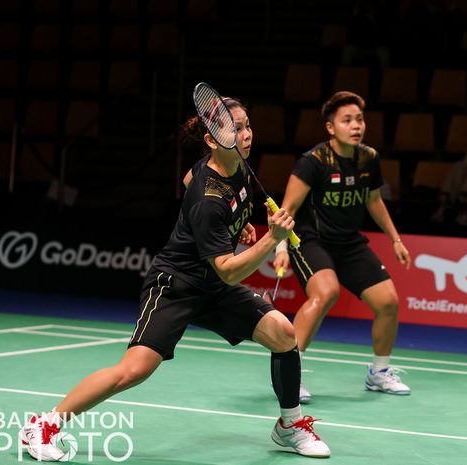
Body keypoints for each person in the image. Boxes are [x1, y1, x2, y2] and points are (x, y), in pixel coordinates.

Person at [19, 98, 331, 461]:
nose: (246, 135)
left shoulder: (238, 167)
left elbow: (189, 178)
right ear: (213, 140)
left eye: (247, 126)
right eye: (237, 129)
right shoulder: (209, 199)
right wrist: (269, 240)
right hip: (176, 285)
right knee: (132, 371)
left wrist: (233, 227)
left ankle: (289, 426)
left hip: (212, 286)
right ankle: (43, 425)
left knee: (284, 334)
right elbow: (229, 269)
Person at [274, 91, 411, 404]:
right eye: (347, 120)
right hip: (310, 240)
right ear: (331, 127)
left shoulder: (368, 158)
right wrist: (280, 246)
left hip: (349, 242)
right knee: (326, 292)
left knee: (388, 301)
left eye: (359, 119)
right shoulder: (313, 162)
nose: (356, 126)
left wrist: (395, 239)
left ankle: (379, 373)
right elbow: (288, 208)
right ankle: (289, 373)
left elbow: (373, 200)